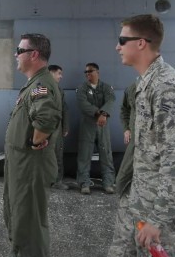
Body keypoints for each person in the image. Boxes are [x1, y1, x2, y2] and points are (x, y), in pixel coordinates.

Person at [98, 14, 175, 257]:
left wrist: (158, 221)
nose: (118, 47)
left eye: (122, 40)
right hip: (140, 203)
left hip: (158, 212)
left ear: (140, 43)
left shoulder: (166, 88)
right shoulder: (146, 85)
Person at [0, 33, 61, 257]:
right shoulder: (33, 84)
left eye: (19, 50)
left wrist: (36, 141)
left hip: (31, 166)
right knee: (15, 215)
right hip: (19, 165)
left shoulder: (43, 85)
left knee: (30, 222)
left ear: (34, 54)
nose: (15, 55)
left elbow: (46, 117)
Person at [75, 63, 116, 195]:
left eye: (90, 71)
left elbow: (110, 100)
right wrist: (99, 114)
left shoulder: (106, 87)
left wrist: (104, 114)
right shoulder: (82, 88)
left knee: (106, 153)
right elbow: (83, 104)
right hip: (87, 125)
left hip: (102, 125)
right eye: (85, 72)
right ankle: (84, 183)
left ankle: (108, 183)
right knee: (85, 154)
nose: (87, 74)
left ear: (97, 72)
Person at [48, 64, 70, 190]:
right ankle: (45, 181)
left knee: (58, 155)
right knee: (45, 155)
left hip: (58, 128)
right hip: (46, 128)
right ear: (51, 73)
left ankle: (57, 181)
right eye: (59, 73)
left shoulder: (59, 90)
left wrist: (65, 126)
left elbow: (64, 109)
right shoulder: (42, 88)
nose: (61, 76)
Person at [115, 80, 137, 198]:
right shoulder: (132, 88)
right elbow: (124, 110)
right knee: (122, 179)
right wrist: (126, 128)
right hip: (135, 141)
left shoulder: (160, 87)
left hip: (153, 143)